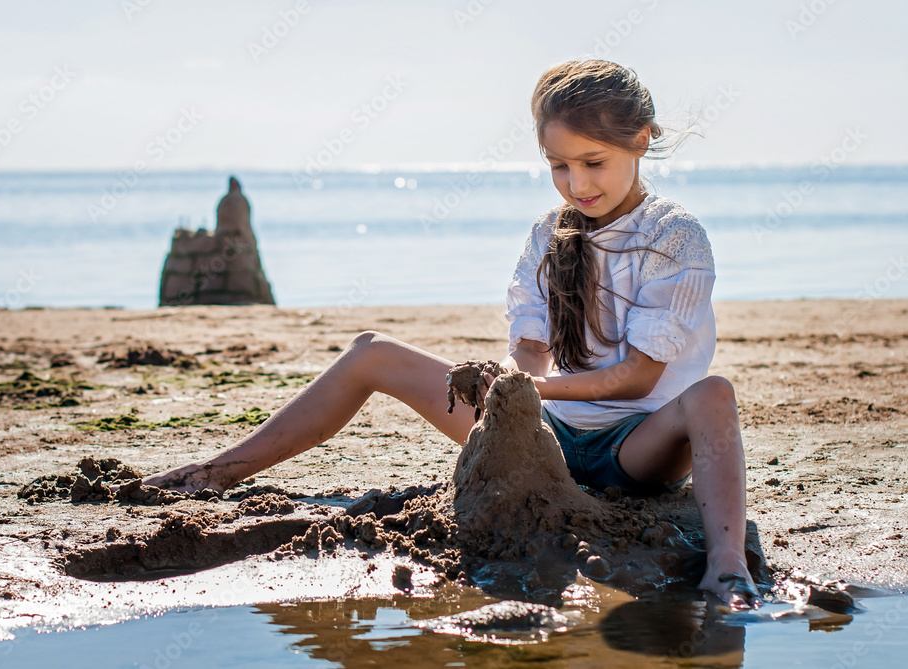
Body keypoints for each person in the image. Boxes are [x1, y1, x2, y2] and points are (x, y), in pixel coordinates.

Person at [143, 59, 762, 609]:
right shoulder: (549, 234)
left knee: (713, 393)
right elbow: (529, 346)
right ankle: (219, 470)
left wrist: (530, 394)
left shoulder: (675, 237)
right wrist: (513, 383)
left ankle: (728, 569)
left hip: (637, 448)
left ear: (642, 141)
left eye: (593, 163)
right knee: (372, 352)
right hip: (541, 437)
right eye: (558, 166)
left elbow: (638, 378)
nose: (578, 185)